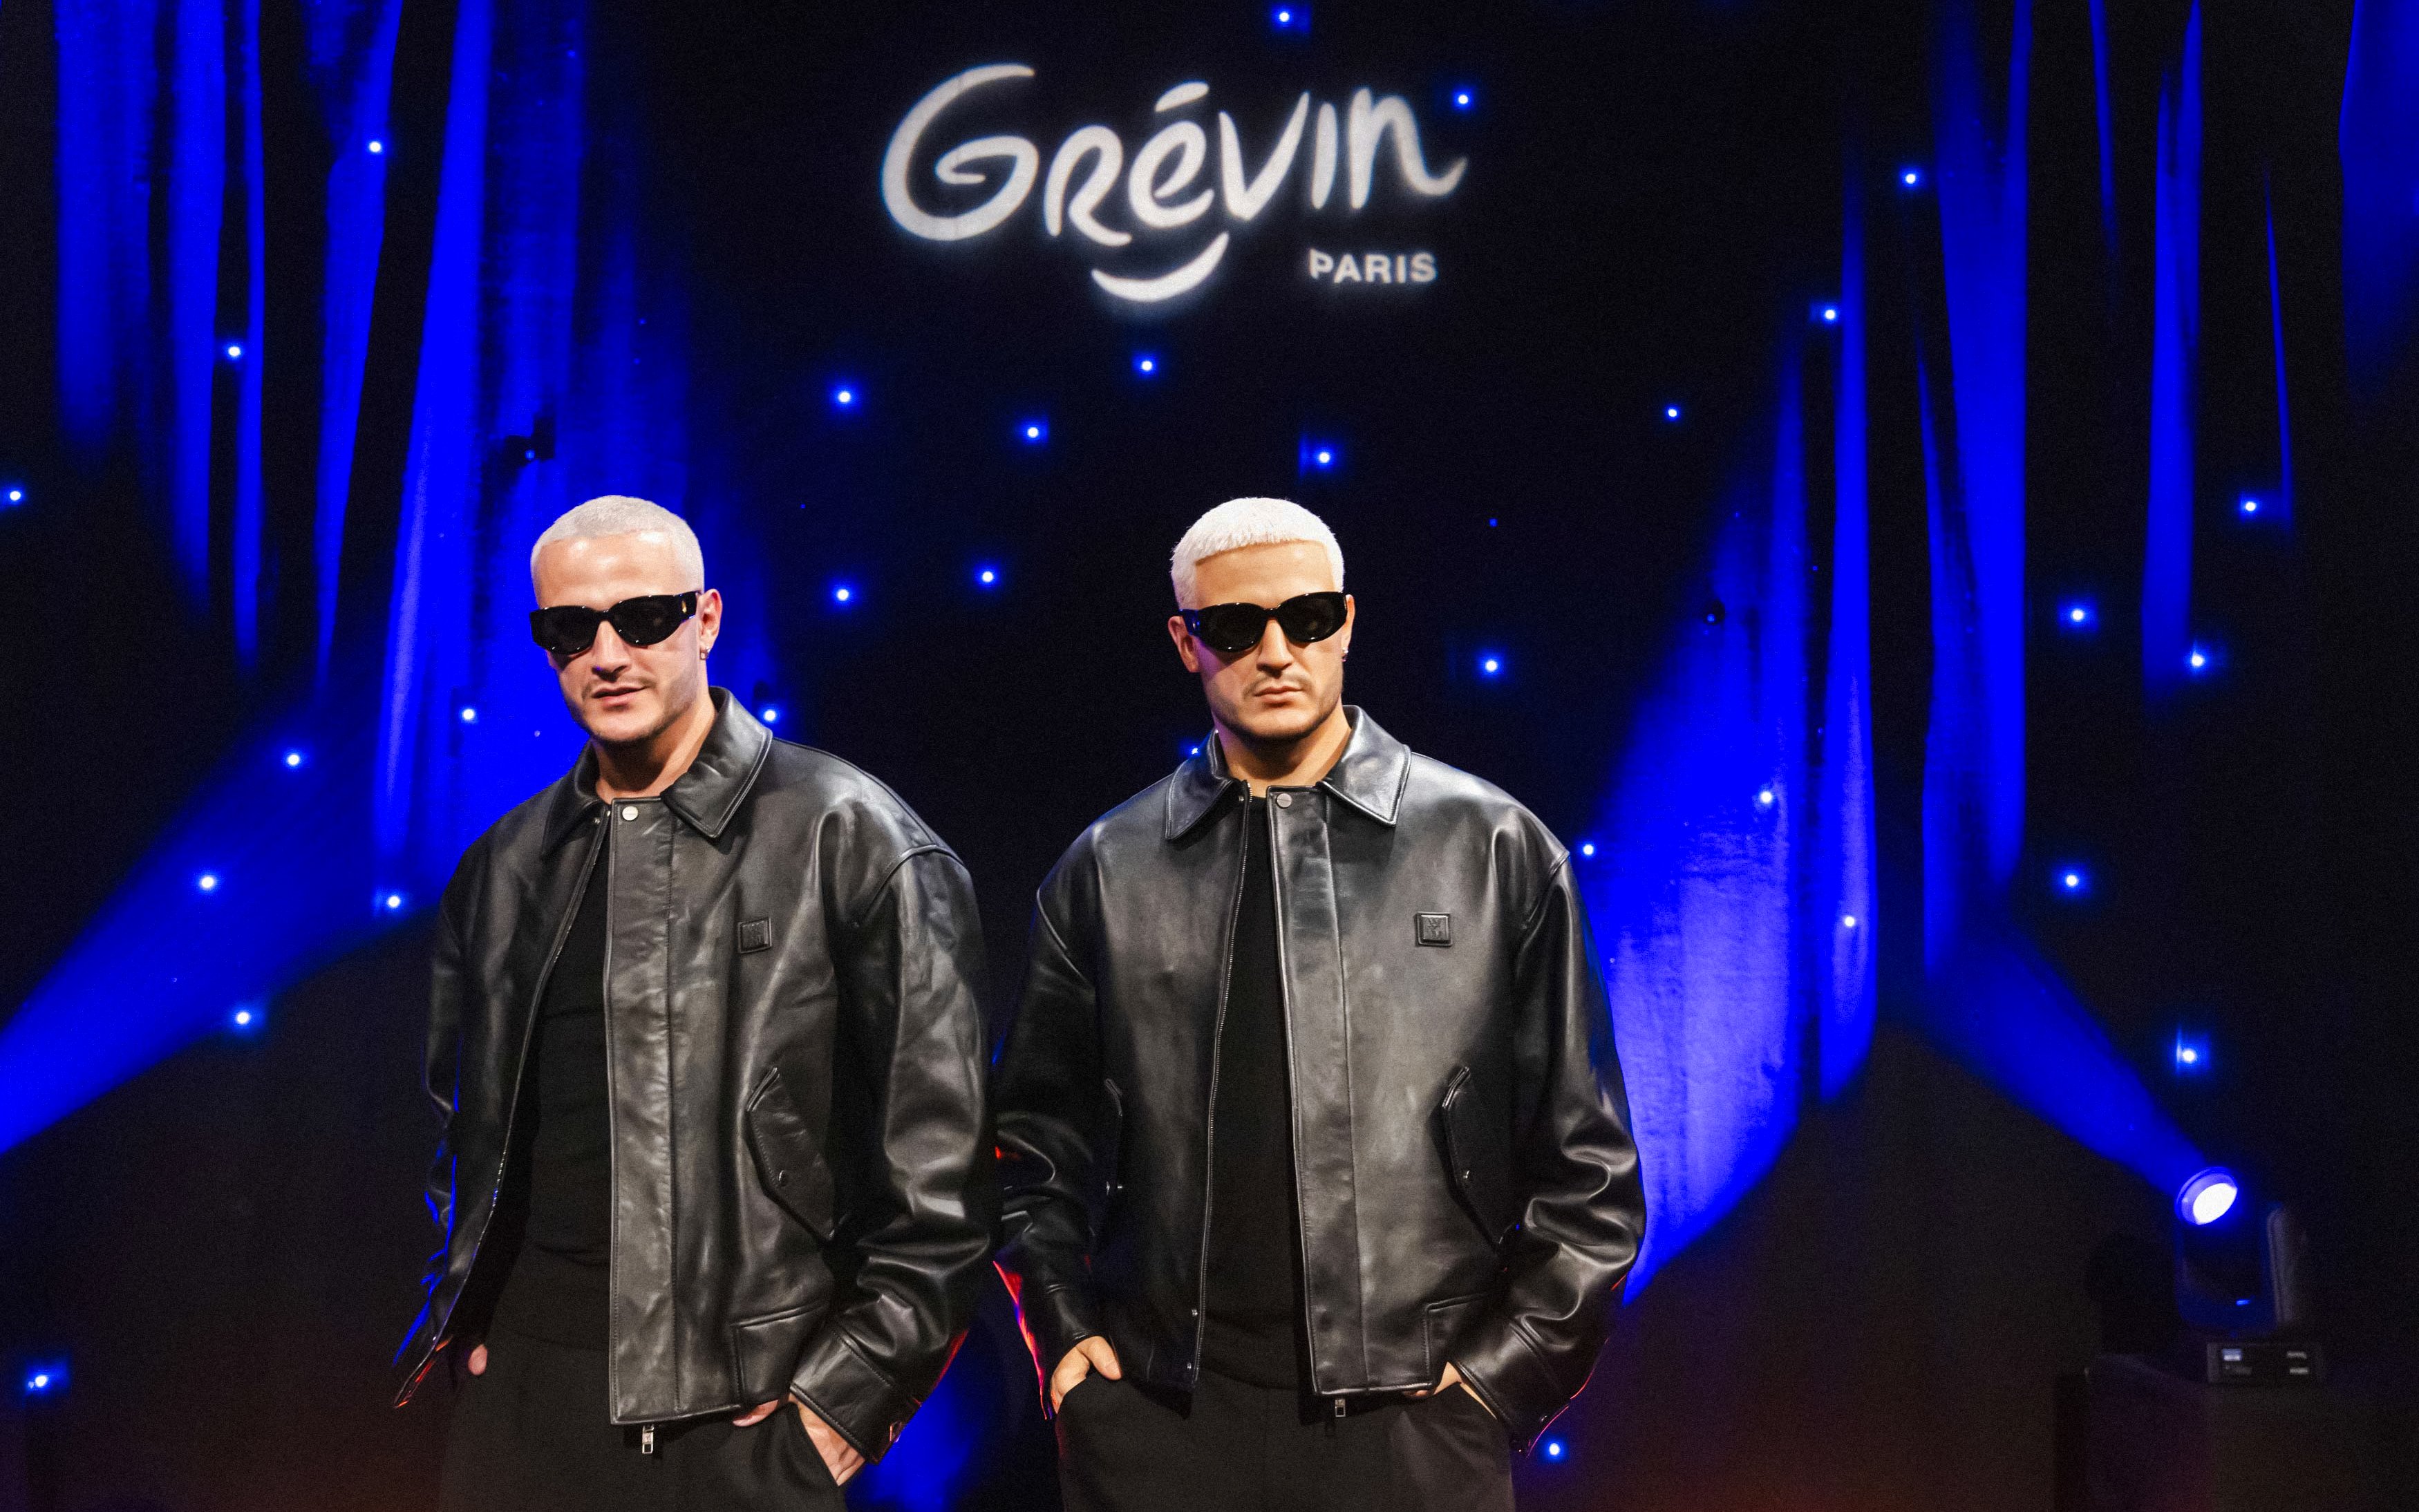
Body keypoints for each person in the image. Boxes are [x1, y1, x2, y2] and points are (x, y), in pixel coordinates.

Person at [992, 497, 1647, 1511]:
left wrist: (1496, 1384)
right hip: (1159, 1423)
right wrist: (1067, 1342)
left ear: (1345, 623)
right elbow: (1030, 1153)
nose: (1275, 652)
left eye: (1304, 619)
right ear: (1185, 642)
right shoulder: (1108, 869)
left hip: (1414, 1427)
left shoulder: (1493, 849)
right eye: (1233, 626)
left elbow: (1591, 1174)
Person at [395, 495, 995, 1510]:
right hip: (523, 1405)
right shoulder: (504, 866)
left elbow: (945, 1176)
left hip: (743, 1418)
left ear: (706, 619)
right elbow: (465, 1128)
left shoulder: (850, 835)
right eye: (571, 629)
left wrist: (842, 1408)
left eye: (643, 619)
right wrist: (475, 1317)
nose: (608, 655)